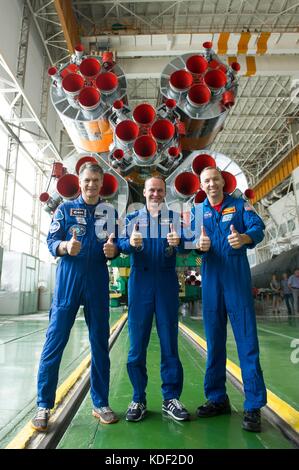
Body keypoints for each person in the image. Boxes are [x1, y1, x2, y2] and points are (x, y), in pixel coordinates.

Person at [31, 162, 119, 431]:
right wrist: (65, 246)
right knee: (55, 341)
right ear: (80, 183)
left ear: (102, 183)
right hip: (69, 278)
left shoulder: (110, 212)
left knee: (100, 344)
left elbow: (117, 248)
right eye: (87, 180)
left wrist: (113, 251)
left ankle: (100, 403)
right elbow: (50, 241)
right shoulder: (65, 209)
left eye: (96, 180)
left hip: (97, 279)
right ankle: (44, 405)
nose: (91, 185)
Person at [192, 166, 267, 433]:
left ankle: (253, 405)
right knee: (214, 344)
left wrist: (245, 237)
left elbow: (259, 228)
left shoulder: (239, 206)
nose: (211, 184)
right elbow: (190, 244)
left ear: (223, 182)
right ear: (201, 186)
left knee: (247, 343)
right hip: (211, 282)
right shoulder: (198, 212)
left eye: (215, 179)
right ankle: (217, 398)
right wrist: (197, 248)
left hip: (236, 281)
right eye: (206, 181)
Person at [117, 176, 190, 422]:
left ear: (164, 193)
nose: (156, 194)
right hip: (141, 283)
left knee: (170, 343)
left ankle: (170, 398)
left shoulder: (175, 220)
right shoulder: (131, 220)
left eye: (160, 190)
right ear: (144, 192)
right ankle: (138, 398)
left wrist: (179, 243)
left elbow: (188, 246)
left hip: (167, 283)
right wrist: (130, 243)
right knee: (137, 345)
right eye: (152, 190)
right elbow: (118, 245)